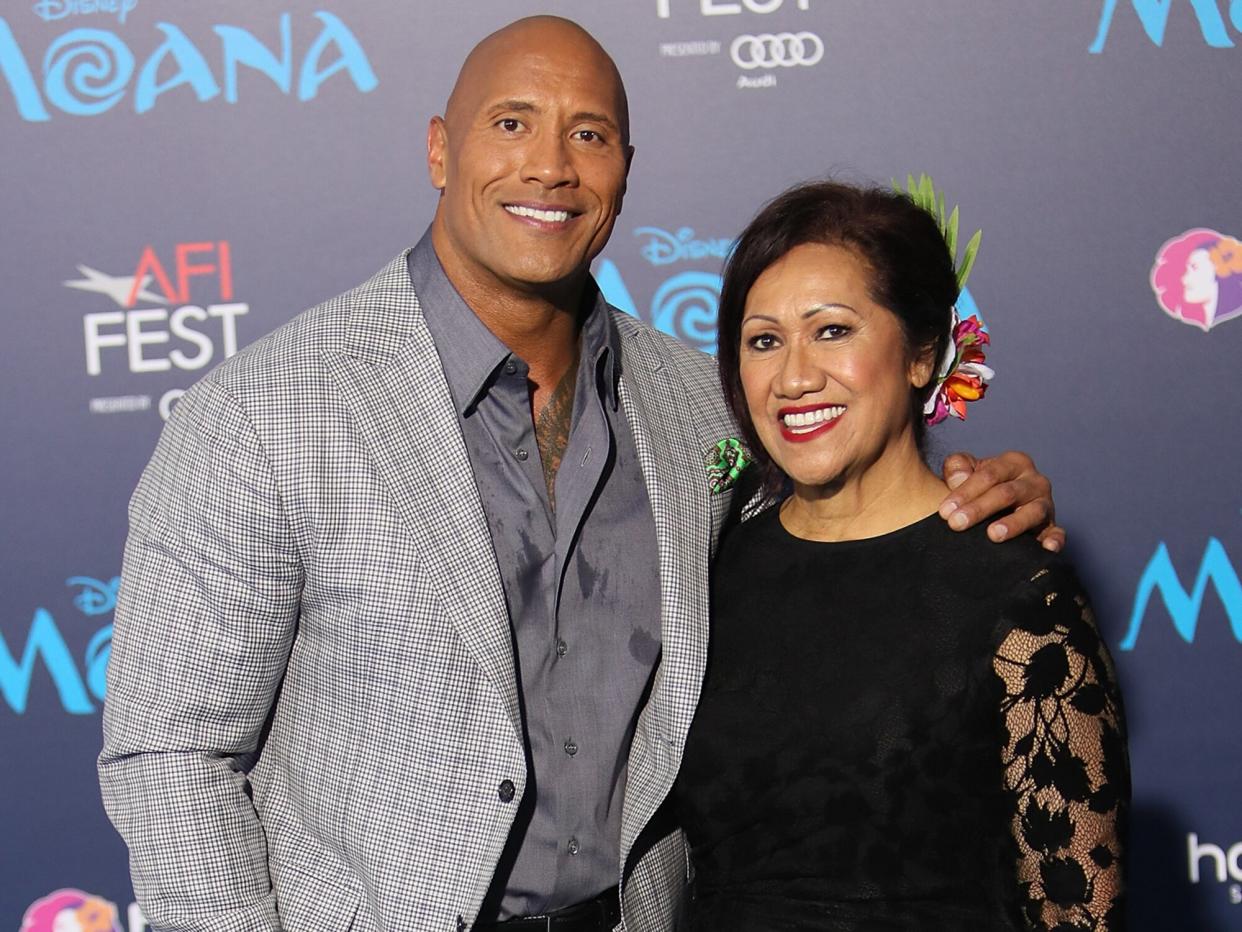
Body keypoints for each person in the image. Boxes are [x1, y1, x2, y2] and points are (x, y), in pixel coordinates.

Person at [98, 17, 1062, 932]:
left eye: (589, 134)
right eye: (510, 123)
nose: (550, 166)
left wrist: (975, 510)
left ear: (625, 173)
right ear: (440, 150)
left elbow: (845, 533)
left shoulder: (702, 408)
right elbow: (171, 751)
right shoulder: (264, 409)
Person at [676, 181, 1129, 931]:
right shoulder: (711, 568)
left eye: (832, 332)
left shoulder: (1014, 587)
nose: (793, 377)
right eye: (764, 341)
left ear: (924, 354)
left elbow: (1080, 912)